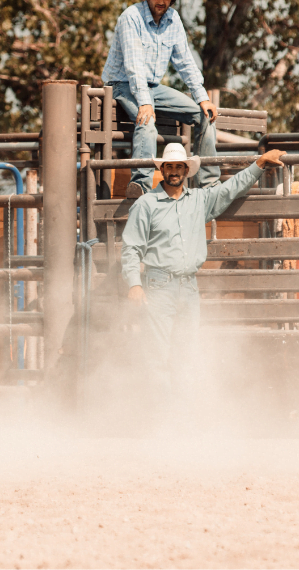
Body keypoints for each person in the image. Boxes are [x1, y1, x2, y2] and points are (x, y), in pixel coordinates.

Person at [121, 143, 285, 398]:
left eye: (179, 166)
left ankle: (181, 414)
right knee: (158, 353)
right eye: (169, 166)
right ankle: (160, 417)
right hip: (159, 285)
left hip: (188, 285)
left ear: (187, 170)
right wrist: (134, 283)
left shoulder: (199, 199)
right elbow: (131, 247)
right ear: (162, 169)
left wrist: (259, 164)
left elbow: (230, 189)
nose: (174, 171)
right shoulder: (146, 204)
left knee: (187, 351)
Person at [101, 0, 219, 198]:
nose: (161, 1)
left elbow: (185, 62)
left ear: (172, 0)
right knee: (147, 120)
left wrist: (202, 97)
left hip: (153, 87)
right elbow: (134, 66)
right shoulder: (131, 17)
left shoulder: (173, 20)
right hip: (122, 83)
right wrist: (145, 103)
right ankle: (141, 185)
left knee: (204, 115)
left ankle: (208, 183)